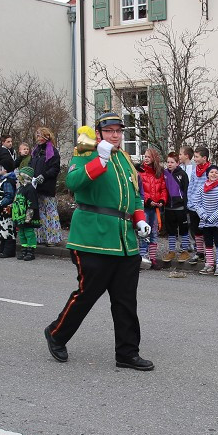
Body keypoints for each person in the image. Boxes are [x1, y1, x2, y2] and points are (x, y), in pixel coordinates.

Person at [44, 116, 153, 371]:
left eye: (118, 131)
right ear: (99, 132)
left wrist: (138, 219)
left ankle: (127, 353)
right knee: (87, 294)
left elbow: (135, 196)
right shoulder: (85, 152)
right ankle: (56, 333)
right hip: (92, 238)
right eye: (109, 131)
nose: (115, 135)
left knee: (126, 300)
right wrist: (100, 159)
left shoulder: (125, 160)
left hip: (124, 240)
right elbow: (73, 183)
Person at [30, 126, 63, 247]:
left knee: (50, 212)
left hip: (47, 186)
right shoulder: (36, 151)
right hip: (36, 187)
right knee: (40, 213)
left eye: (40, 135)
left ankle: (53, 238)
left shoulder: (52, 151)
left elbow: (55, 168)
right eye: (37, 136)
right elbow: (31, 165)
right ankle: (42, 237)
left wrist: (44, 176)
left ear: (46, 137)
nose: (37, 138)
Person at [197, 163, 218, 276]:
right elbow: (197, 204)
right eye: (211, 172)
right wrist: (204, 216)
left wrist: (213, 217)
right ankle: (209, 264)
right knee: (208, 243)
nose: (214, 174)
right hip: (205, 222)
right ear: (207, 174)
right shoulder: (202, 189)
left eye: (216, 172)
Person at [138, 146, 168, 269]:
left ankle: (153, 258)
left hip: (155, 208)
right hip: (145, 207)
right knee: (144, 232)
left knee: (154, 232)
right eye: (145, 156)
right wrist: (148, 200)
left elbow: (163, 189)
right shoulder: (140, 172)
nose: (146, 159)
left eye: (148, 156)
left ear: (154, 158)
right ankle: (142, 257)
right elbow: (140, 190)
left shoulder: (159, 173)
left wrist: (162, 200)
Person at [162, 152, 190, 263]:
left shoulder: (182, 174)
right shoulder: (164, 173)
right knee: (171, 230)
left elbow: (186, 190)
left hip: (180, 207)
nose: (169, 164)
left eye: (172, 162)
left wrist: (186, 205)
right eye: (168, 162)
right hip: (168, 206)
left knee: (183, 230)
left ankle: (184, 251)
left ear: (177, 163)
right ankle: (172, 251)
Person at [185, 145, 210, 264]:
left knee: (205, 230)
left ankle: (208, 254)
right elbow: (191, 186)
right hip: (193, 205)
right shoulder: (195, 170)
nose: (194, 159)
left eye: (196, 157)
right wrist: (189, 200)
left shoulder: (211, 170)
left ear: (204, 158)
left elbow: (210, 188)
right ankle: (199, 252)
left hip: (204, 206)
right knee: (196, 230)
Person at [12, 165, 40, 261]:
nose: (19, 176)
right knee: (21, 233)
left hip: (27, 217)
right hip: (19, 216)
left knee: (29, 233)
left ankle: (30, 250)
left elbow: (32, 204)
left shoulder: (30, 189)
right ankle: (24, 249)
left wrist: (29, 217)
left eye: (20, 175)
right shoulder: (20, 189)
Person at [0, 162, 17, 258]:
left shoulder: (7, 181)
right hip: (1, 210)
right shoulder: (2, 180)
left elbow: (9, 195)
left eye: (0, 167)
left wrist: (0, 203)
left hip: (6, 209)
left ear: (5, 169)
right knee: (3, 230)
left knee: (8, 230)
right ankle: (3, 248)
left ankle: (9, 251)